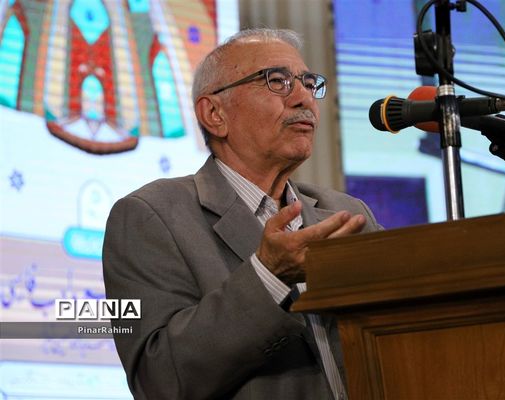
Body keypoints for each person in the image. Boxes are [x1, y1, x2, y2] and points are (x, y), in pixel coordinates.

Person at [103, 28, 380, 400]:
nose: (304, 98)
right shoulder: (150, 217)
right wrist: (268, 276)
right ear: (214, 114)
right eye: (277, 81)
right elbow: (158, 380)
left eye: (308, 83)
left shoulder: (347, 214)